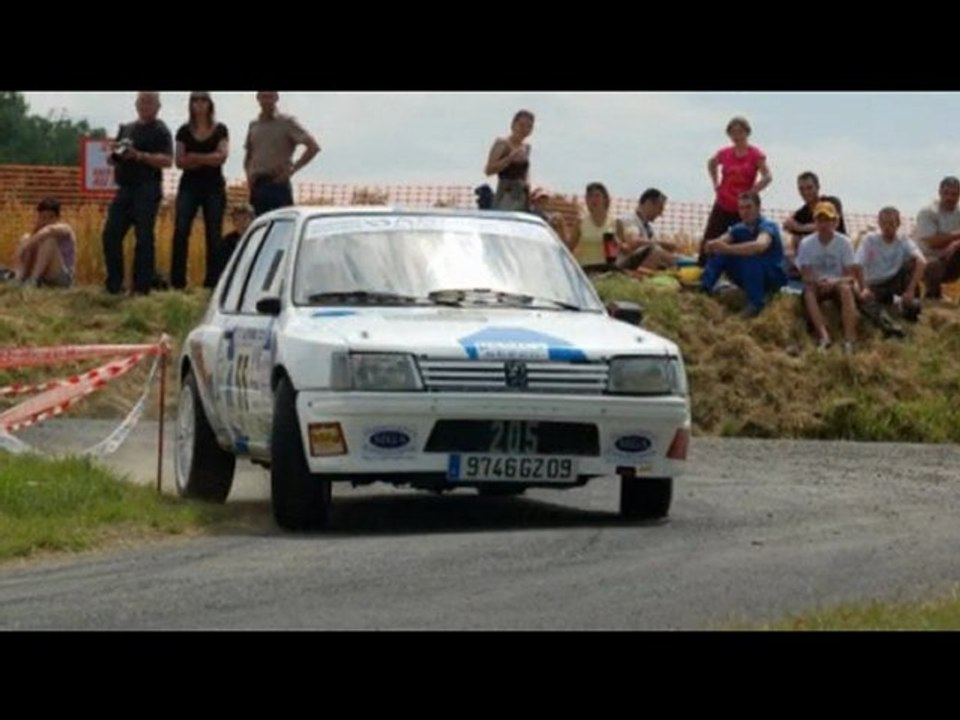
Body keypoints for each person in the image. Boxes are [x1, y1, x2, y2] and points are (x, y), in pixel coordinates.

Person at [101, 91, 173, 295]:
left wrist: (139, 155)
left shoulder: (161, 130)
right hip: (124, 188)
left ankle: (141, 287)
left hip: (147, 188)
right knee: (110, 234)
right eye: (142, 101)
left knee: (144, 238)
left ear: (158, 106)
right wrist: (115, 153)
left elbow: (167, 160)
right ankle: (114, 284)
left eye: (150, 101)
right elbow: (112, 158)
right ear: (136, 104)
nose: (145, 105)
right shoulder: (126, 128)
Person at [170, 91, 229, 290]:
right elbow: (179, 161)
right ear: (190, 104)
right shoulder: (183, 131)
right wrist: (207, 158)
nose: (199, 103)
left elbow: (222, 156)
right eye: (195, 99)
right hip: (189, 187)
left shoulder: (220, 129)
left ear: (210, 103)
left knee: (213, 233)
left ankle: (213, 282)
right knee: (181, 230)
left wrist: (195, 156)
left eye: (203, 99)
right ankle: (178, 281)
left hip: (214, 187)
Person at [699, 191, 786, 317]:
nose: (745, 212)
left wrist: (727, 248)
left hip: (771, 275)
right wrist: (711, 245)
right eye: (741, 208)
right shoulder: (739, 228)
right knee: (720, 253)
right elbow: (722, 240)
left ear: (758, 208)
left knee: (750, 256)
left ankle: (756, 304)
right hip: (749, 274)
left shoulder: (767, 226)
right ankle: (705, 288)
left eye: (748, 207)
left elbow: (760, 246)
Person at [699, 116, 772, 266]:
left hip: (743, 206)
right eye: (733, 132)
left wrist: (753, 192)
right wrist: (716, 183)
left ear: (747, 133)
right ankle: (703, 268)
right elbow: (711, 163)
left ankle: (742, 269)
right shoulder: (725, 153)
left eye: (740, 132)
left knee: (743, 237)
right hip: (723, 201)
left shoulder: (755, 154)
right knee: (712, 235)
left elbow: (768, 176)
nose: (736, 136)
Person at [796, 201, 860, 354]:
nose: (823, 224)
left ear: (835, 222)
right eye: (820, 220)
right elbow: (805, 275)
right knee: (809, 291)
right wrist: (818, 281)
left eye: (827, 220)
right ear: (815, 222)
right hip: (817, 284)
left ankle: (849, 339)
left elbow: (850, 276)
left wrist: (834, 281)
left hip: (838, 283)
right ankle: (824, 337)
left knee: (846, 289)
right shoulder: (806, 243)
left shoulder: (844, 242)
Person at [244, 91, 320, 216]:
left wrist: (292, 170)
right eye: (263, 96)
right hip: (257, 185)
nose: (267, 100)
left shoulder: (287, 122)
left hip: (278, 184)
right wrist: (249, 176)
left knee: (282, 229)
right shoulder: (254, 125)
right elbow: (249, 154)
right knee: (259, 229)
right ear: (258, 98)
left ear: (276, 98)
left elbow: (313, 147)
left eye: (270, 96)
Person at [855, 207, 925, 328]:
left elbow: (922, 261)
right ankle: (888, 323)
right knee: (865, 303)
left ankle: (909, 303)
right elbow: (857, 264)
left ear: (898, 224)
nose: (887, 227)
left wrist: (911, 289)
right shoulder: (869, 240)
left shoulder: (903, 239)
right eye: (884, 223)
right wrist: (864, 287)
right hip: (874, 283)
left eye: (891, 223)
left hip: (895, 280)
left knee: (912, 263)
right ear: (879, 223)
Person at [782, 171, 848, 266]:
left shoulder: (831, 202)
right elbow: (788, 227)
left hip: (838, 258)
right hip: (814, 262)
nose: (805, 192)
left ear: (818, 187)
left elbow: (828, 226)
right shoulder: (801, 213)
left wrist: (799, 227)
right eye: (801, 189)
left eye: (809, 188)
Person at [913, 176, 960, 299]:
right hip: (925, 261)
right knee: (933, 265)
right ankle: (933, 295)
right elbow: (932, 242)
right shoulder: (927, 212)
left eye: (954, 194)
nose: (950, 197)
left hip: (951, 260)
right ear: (939, 192)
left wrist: (956, 244)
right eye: (946, 193)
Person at [13, 197, 76, 288]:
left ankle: (34, 280)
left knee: (48, 241)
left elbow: (49, 230)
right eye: (43, 217)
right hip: (46, 274)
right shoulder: (38, 232)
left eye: (51, 217)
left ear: (58, 218)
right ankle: (19, 277)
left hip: (62, 276)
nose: (47, 221)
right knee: (25, 237)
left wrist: (27, 245)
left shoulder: (65, 228)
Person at [615, 188, 677, 271]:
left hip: (637, 262)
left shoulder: (647, 228)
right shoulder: (629, 219)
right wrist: (662, 243)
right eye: (660, 208)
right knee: (656, 251)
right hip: (624, 265)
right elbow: (633, 242)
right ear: (649, 203)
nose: (660, 214)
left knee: (667, 256)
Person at [484, 110, 534, 211]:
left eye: (529, 126)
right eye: (521, 125)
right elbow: (488, 170)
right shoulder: (502, 143)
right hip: (506, 192)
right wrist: (509, 158)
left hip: (522, 194)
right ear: (513, 125)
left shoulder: (526, 147)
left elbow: (525, 173)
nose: (524, 129)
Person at [567, 182, 617, 267]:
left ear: (605, 199)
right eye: (590, 196)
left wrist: (617, 244)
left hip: (606, 270)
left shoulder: (615, 222)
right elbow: (569, 248)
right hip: (585, 269)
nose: (593, 199)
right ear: (586, 200)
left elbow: (622, 251)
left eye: (597, 196)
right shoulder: (580, 222)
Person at [214, 203, 255, 285]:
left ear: (252, 219)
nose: (241, 224)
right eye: (237, 220)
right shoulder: (227, 242)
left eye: (245, 219)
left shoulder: (258, 237)